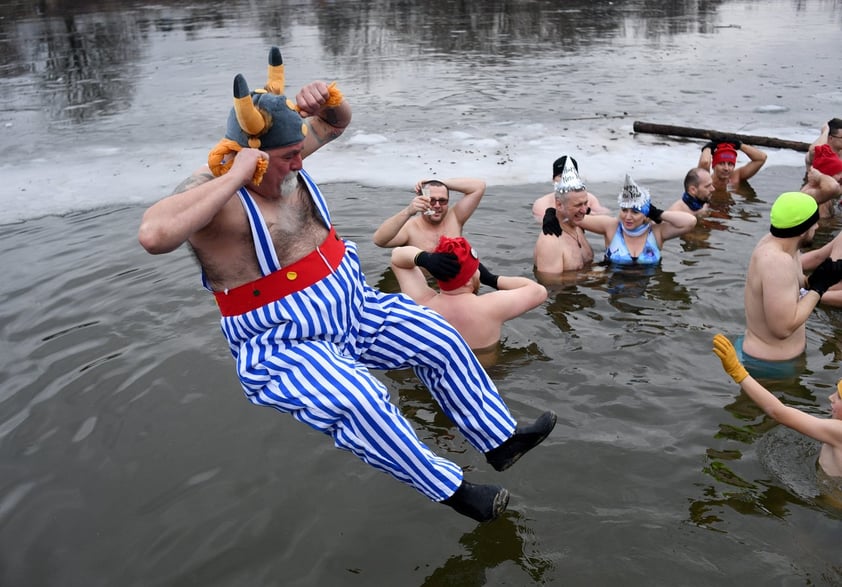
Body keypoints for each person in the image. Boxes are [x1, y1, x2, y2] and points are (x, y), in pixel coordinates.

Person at [137, 47, 556, 524]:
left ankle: (500, 441)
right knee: (360, 399)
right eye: (289, 156)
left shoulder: (286, 161)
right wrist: (233, 176)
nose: (301, 162)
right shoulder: (213, 193)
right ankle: (458, 492)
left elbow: (335, 124)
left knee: (439, 337)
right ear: (250, 158)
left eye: (300, 152)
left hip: (353, 307)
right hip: (284, 340)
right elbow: (153, 235)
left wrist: (327, 103)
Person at [391, 236, 547, 357]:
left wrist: (424, 258)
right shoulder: (491, 307)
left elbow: (397, 256)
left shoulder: (422, 304)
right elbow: (538, 291)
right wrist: (492, 279)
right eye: (476, 269)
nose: (479, 272)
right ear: (467, 280)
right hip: (485, 375)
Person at [712, 333, 842, 478]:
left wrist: (738, 372)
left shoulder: (838, 431)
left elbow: (778, 412)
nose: (831, 397)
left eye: (839, 397)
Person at [742, 191, 842, 367]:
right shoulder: (777, 262)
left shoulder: (783, 244)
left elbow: (791, 286)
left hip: (777, 360)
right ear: (803, 230)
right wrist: (818, 289)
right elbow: (783, 328)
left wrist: (813, 280)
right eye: (814, 223)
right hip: (770, 366)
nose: (817, 227)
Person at [578, 174, 697, 266]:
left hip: (646, 293)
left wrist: (658, 214)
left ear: (646, 214)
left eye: (635, 212)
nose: (628, 217)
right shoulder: (611, 226)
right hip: (615, 289)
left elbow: (690, 222)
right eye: (624, 210)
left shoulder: (656, 232)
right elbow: (576, 219)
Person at [372, 177, 486, 251]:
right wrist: (408, 211)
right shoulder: (410, 228)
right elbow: (379, 240)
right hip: (423, 285)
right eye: (431, 200)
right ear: (422, 200)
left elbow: (478, 186)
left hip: (454, 285)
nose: (437, 205)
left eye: (442, 200)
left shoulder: (455, 217)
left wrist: (439, 182)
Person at [534, 157, 595, 274]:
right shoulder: (550, 242)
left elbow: (611, 223)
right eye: (578, 205)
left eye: (585, 203)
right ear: (559, 205)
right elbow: (549, 281)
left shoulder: (577, 225)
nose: (584, 210)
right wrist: (589, 277)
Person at [531, 155, 610, 222]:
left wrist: (588, 213)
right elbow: (546, 227)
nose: (565, 181)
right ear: (553, 180)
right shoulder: (542, 203)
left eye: (570, 177)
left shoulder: (589, 198)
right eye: (561, 176)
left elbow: (606, 214)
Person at [698, 140, 767, 192]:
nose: (726, 168)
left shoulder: (736, 177)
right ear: (713, 165)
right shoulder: (706, 180)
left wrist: (739, 145)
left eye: (730, 164)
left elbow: (761, 158)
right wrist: (708, 147)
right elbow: (705, 162)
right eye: (721, 163)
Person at [800, 145, 842, 218]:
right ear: (827, 175)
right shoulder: (811, 192)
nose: (841, 176)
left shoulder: (823, 190)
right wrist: (819, 176)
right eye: (838, 173)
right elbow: (833, 187)